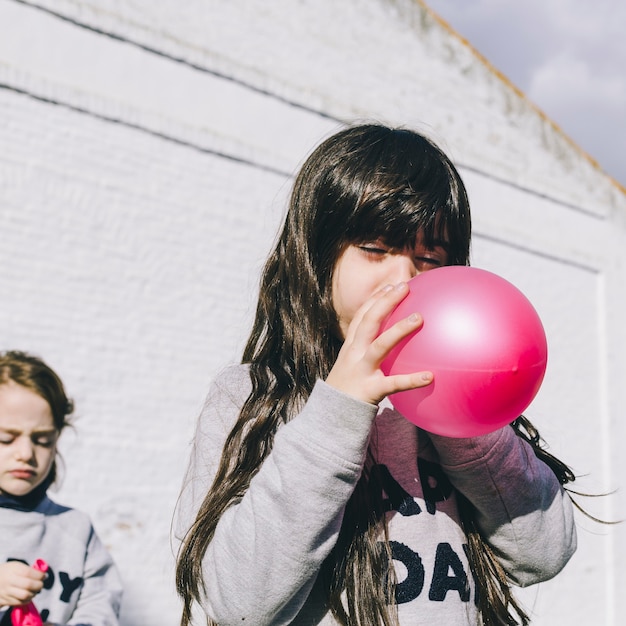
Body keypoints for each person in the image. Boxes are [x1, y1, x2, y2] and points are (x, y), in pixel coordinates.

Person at [175, 124, 578, 626]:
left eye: (430, 257)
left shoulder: (463, 409)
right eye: (375, 248)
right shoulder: (251, 396)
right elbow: (239, 604)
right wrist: (338, 412)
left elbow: (544, 552)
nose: (403, 280)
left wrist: (466, 419)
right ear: (317, 258)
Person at [0, 351, 123, 626]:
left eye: (42, 440)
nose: (26, 453)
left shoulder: (75, 528)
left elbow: (100, 604)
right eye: (6, 438)